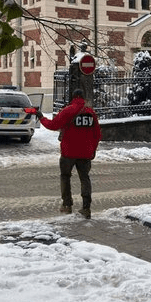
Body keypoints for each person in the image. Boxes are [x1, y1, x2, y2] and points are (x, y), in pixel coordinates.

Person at [40, 89, 101, 219]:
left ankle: (67, 204)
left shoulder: (68, 111)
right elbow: (97, 134)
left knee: (65, 176)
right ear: (83, 98)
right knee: (85, 178)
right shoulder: (91, 113)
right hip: (85, 152)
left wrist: (41, 117)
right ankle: (86, 207)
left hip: (69, 152)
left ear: (73, 97)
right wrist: (93, 150)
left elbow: (53, 125)